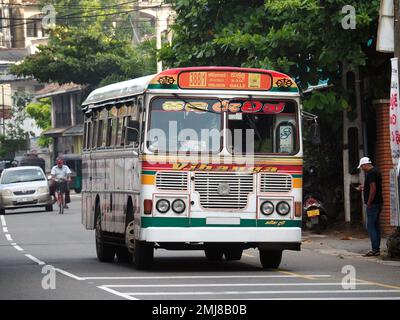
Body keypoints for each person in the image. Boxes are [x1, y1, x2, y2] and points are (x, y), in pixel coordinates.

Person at [356, 157, 383, 257]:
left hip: (373, 204)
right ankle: (377, 249)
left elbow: (373, 189)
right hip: (379, 202)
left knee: (370, 226)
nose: (362, 169)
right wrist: (363, 187)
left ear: (365, 165)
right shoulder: (377, 171)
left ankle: (374, 249)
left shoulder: (371, 173)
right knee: (376, 226)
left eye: (362, 167)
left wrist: (369, 202)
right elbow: (372, 186)